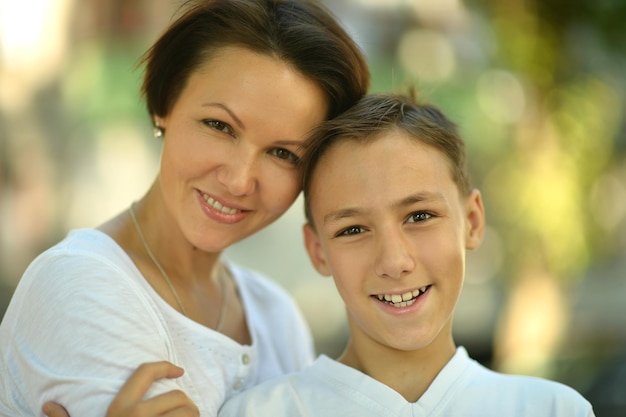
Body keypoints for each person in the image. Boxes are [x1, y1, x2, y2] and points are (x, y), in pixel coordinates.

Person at [0, 0, 369, 416]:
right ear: (165, 103)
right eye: (219, 126)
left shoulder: (276, 317)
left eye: (283, 153)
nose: (239, 180)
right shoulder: (81, 287)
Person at [217, 92, 596, 416]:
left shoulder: (552, 409)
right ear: (317, 250)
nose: (395, 262)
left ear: (472, 221)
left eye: (420, 216)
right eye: (352, 229)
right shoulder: (258, 412)